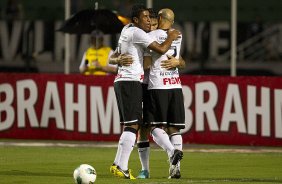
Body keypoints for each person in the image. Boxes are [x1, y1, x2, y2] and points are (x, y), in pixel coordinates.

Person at [108, 4, 181, 179]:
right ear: (135, 20)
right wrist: (170, 36)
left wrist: (117, 58)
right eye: (145, 18)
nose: (149, 21)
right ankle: (123, 167)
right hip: (132, 82)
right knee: (134, 125)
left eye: (150, 18)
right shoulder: (138, 33)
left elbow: (114, 55)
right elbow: (162, 49)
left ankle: (118, 164)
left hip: (128, 82)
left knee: (137, 124)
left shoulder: (127, 29)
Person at [144, 8, 185, 179]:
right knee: (173, 129)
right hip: (175, 85)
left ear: (160, 18)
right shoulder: (178, 35)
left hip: (158, 85)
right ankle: (175, 169)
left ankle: (171, 151)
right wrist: (179, 62)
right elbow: (180, 61)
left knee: (154, 127)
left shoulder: (151, 36)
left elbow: (147, 64)